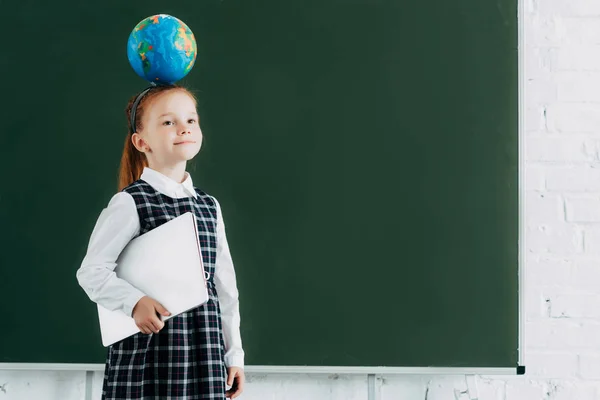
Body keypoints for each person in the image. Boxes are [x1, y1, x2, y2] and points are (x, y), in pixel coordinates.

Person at [76, 84, 245, 399]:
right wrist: (135, 302)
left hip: (203, 351)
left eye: (191, 120)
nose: (184, 128)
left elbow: (225, 288)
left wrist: (234, 354)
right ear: (142, 142)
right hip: (149, 352)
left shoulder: (209, 206)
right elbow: (91, 272)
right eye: (168, 122)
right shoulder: (130, 202)